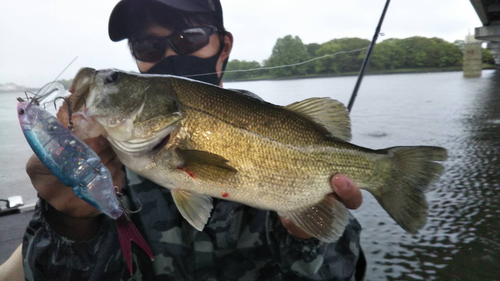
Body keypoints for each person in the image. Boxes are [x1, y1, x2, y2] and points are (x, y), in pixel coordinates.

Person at [22, 0, 366, 280]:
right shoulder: (95, 163)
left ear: (224, 44)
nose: (169, 54)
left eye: (189, 38)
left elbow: (344, 271)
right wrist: (70, 221)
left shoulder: (277, 125)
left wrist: (305, 236)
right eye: (146, 45)